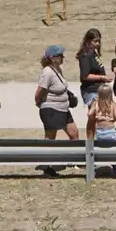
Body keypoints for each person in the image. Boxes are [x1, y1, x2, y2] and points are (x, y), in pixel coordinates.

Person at [34, 44, 77, 176]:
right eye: (60, 55)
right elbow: (39, 91)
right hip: (51, 109)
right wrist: (39, 102)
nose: (63, 57)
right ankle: (46, 166)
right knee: (50, 138)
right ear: (53, 58)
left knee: (74, 134)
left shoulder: (57, 69)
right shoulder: (47, 72)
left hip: (63, 108)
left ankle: (75, 159)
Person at [77, 30, 112, 134]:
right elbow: (85, 76)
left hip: (98, 89)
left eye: (99, 41)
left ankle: (97, 138)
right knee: (93, 116)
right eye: (95, 41)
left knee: (99, 116)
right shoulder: (85, 55)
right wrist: (102, 77)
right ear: (88, 41)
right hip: (91, 90)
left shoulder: (94, 53)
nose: (98, 44)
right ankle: (90, 141)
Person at [88, 86, 116, 177]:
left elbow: (89, 114)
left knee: (104, 148)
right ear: (110, 94)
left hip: (100, 132)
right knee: (113, 149)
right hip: (111, 132)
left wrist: (97, 118)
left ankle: (114, 166)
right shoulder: (112, 104)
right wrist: (109, 119)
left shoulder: (96, 103)